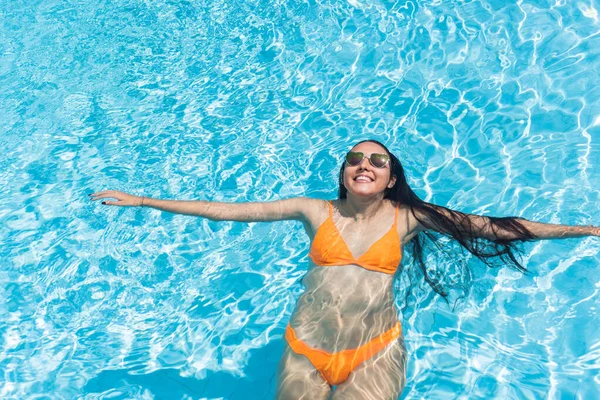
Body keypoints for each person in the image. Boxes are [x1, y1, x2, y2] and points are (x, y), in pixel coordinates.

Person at [89, 139, 599, 400]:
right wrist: (140, 200)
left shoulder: (411, 218)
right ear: (343, 171)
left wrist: (587, 232)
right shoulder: (315, 211)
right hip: (304, 349)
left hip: (375, 350)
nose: (365, 164)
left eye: (377, 161)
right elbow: (225, 209)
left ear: (390, 177)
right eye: (355, 158)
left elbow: (492, 228)